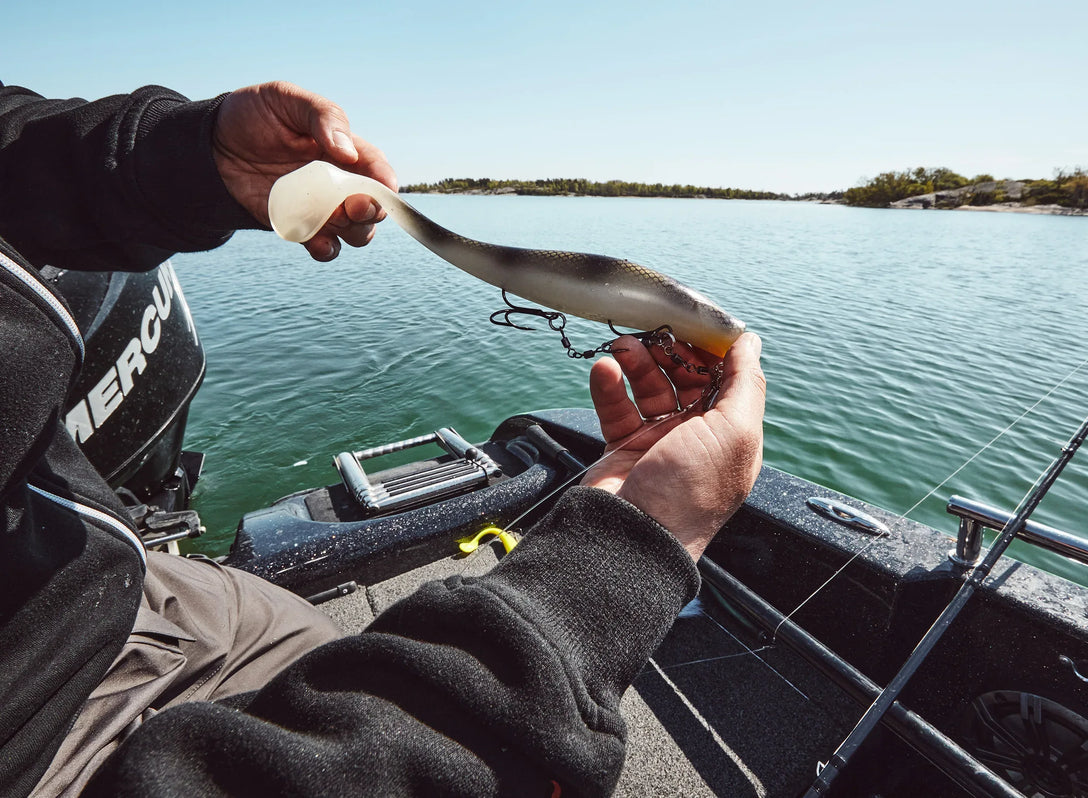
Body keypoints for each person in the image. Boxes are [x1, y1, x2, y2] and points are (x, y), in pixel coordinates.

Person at [0, 79, 766, 797]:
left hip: (74, 568)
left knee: (295, 631)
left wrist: (188, 156)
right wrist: (626, 557)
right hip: (34, 732)